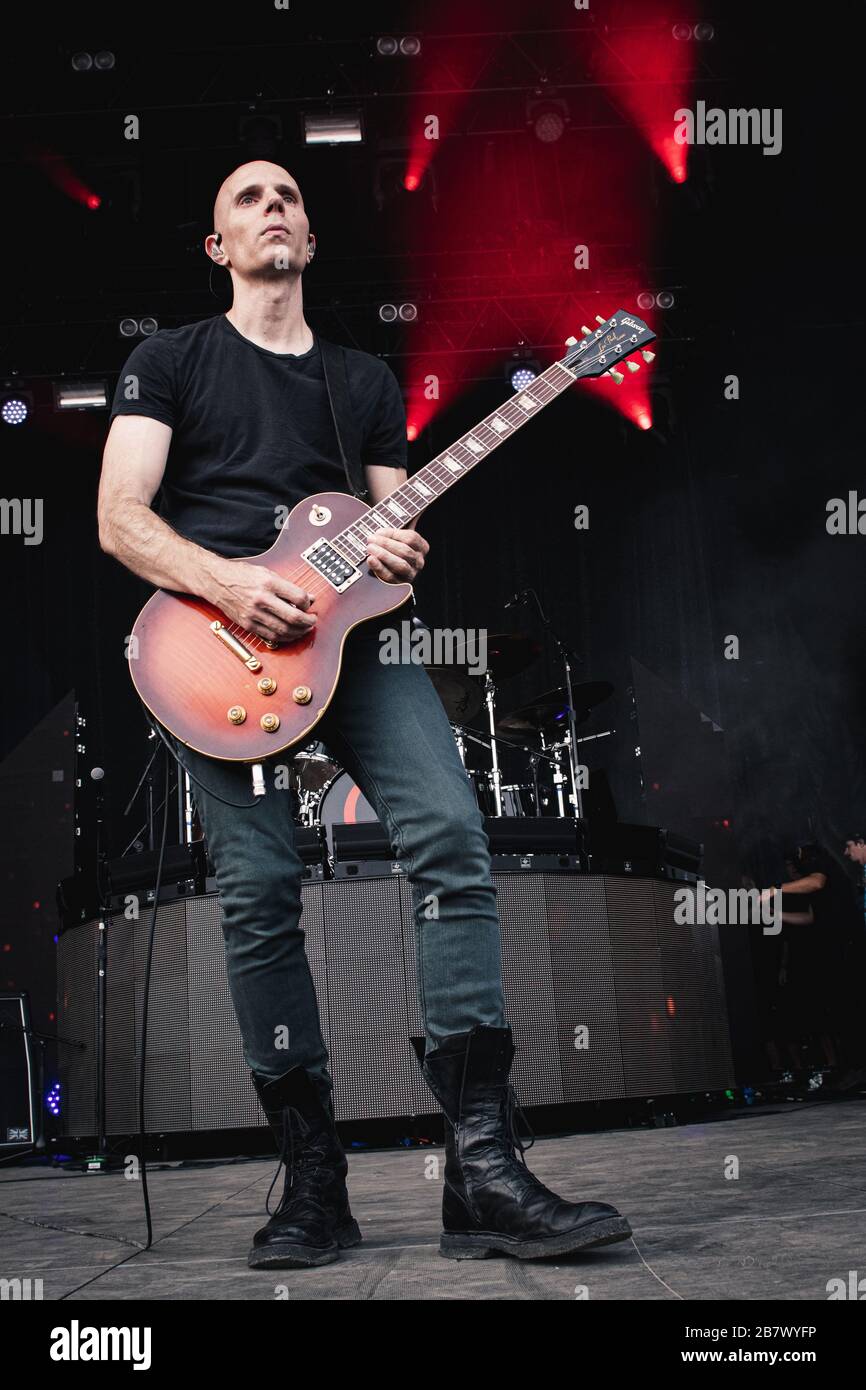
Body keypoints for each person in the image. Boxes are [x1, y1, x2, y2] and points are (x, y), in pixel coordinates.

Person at [97, 159, 631, 1269]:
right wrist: (232, 584)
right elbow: (120, 519)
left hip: (359, 645)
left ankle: (481, 1168)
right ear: (217, 247)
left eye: (286, 195)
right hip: (220, 652)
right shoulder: (169, 362)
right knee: (257, 890)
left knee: (450, 838)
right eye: (244, 199)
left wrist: (398, 543)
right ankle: (313, 1178)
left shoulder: (358, 378)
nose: (271, 208)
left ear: (309, 234)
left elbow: (388, 541)